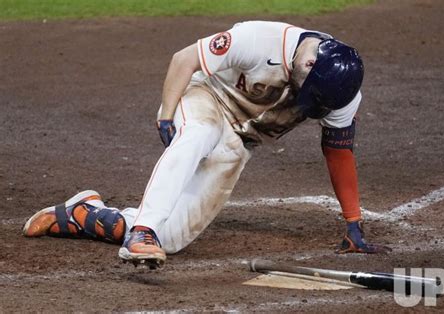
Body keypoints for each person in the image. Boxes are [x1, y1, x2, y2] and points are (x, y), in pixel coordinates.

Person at [23, 21, 391, 268]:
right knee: (198, 134)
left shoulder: (341, 93)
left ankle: (83, 213)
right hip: (205, 101)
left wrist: (353, 224)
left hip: (239, 142)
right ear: (307, 62)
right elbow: (184, 58)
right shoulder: (257, 40)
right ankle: (141, 230)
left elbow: (338, 151)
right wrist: (167, 114)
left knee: (173, 238)